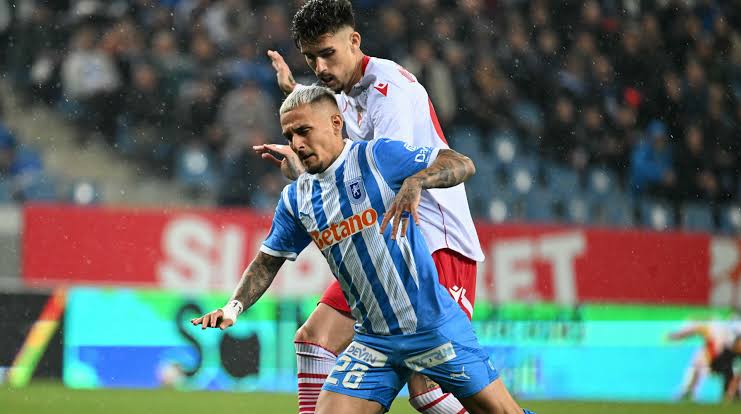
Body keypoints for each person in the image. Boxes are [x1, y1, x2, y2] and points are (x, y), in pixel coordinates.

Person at [192, 86, 530, 414]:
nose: (296, 143)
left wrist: (417, 180)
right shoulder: (297, 198)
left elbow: (461, 163)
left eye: (304, 131)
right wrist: (233, 308)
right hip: (374, 343)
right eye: (289, 135)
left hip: (432, 330)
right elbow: (267, 262)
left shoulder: (377, 157)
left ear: (335, 123)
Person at [256, 2, 484, 412]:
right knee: (314, 341)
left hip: (433, 242)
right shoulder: (346, 92)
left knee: (429, 391)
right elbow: (337, 134)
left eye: (328, 53)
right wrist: (296, 93)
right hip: (384, 245)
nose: (320, 67)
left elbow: (378, 176)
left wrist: (304, 171)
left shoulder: (388, 91)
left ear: (354, 41)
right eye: (311, 58)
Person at [669, 321, 741, 401]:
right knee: (697, 367)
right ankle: (686, 392)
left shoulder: (731, 346)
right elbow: (700, 329)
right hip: (709, 356)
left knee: (730, 373)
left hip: (719, 359)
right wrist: (679, 335)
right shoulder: (719, 333)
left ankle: (733, 395)